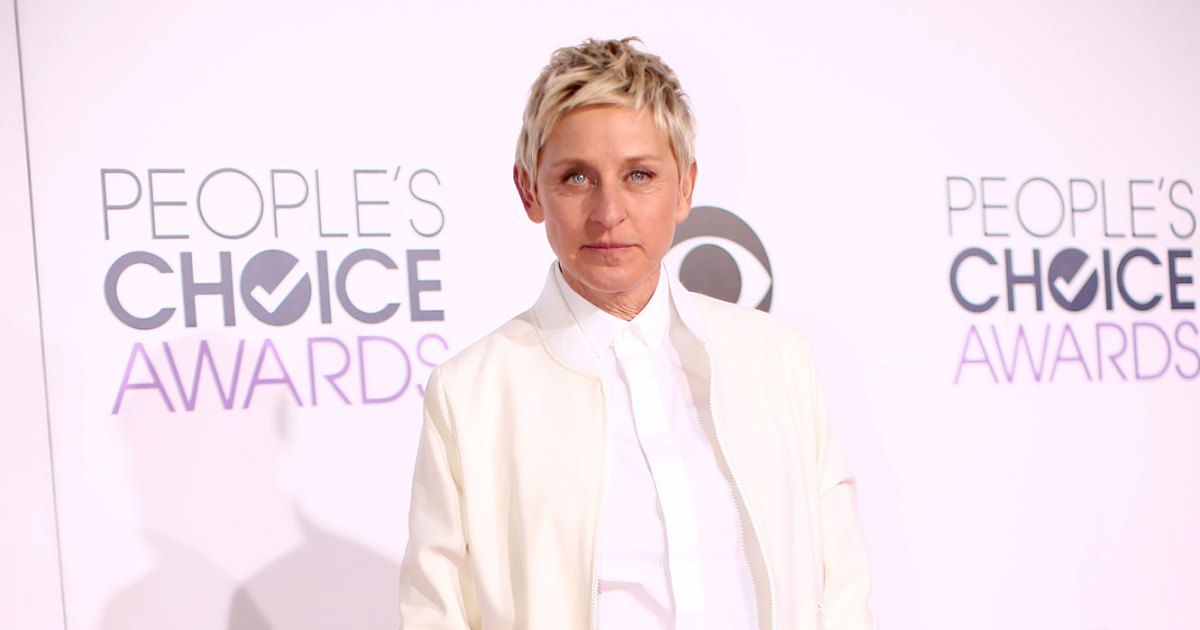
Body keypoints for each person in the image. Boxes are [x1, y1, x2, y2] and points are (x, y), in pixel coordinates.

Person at [398, 37, 874, 630]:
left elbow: (841, 580)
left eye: (639, 174)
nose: (609, 213)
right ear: (529, 190)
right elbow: (436, 611)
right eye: (576, 177)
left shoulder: (777, 358)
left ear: (685, 188)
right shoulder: (471, 394)